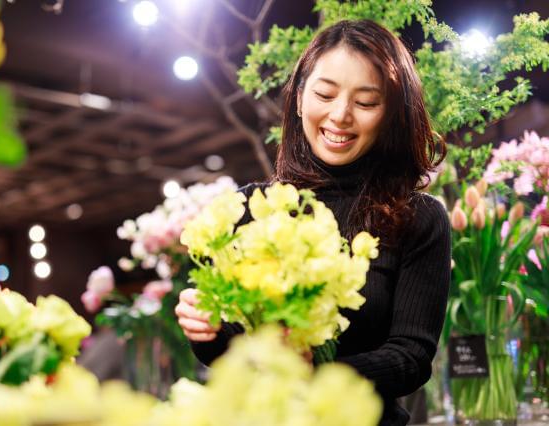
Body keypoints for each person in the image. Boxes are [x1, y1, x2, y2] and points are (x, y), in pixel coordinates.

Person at [175, 19, 451, 426]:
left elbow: (411, 358)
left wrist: (318, 371)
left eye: (367, 102)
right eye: (325, 93)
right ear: (300, 97)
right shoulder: (249, 209)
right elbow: (228, 352)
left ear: (391, 113)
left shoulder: (418, 218)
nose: (340, 115)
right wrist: (209, 329)